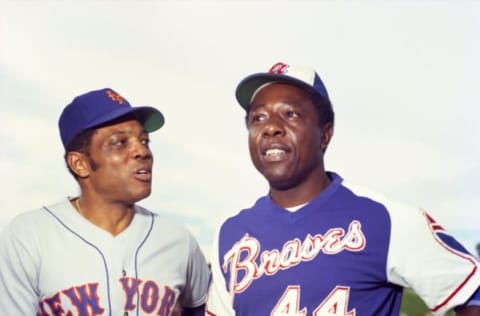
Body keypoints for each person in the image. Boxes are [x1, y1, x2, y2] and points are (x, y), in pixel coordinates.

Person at [206, 62, 480, 315]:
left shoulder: (383, 219)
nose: (271, 128)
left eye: (290, 114)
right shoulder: (230, 233)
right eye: (258, 118)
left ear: (325, 134)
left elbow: (472, 290)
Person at [0, 88, 210, 315]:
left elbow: (201, 308)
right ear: (79, 163)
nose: (142, 151)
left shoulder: (179, 241)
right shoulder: (28, 236)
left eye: (144, 140)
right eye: (120, 142)